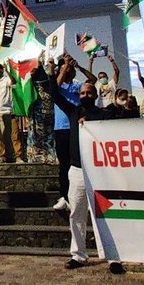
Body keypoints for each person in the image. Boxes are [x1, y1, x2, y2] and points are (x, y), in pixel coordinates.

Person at [49, 61, 123, 274]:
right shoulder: (73, 112)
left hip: (100, 173)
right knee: (76, 214)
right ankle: (78, 255)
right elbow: (54, 91)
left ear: (95, 94)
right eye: (82, 93)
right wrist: (61, 68)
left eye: (89, 92)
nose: (85, 95)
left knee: (106, 215)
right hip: (78, 171)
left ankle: (113, 256)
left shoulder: (104, 115)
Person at [47, 53, 87, 211]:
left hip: (76, 127)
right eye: (64, 69)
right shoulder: (58, 86)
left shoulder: (77, 86)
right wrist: (62, 66)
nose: (67, 71)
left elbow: (92, 81)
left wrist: (76, 66)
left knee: (79, 164)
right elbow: (54, 88)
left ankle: (83, 197)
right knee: (64, 165)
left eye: (69, 69)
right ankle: (64, 196)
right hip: (61, 129)